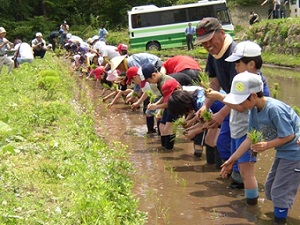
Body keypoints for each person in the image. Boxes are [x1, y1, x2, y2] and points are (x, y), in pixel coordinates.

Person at [220, 72, 300, 225]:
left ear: (254, 95)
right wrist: (232, 160)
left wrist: (266, 145)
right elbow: (250, 137)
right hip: (284, 151)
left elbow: (289, 136)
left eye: (243, 100)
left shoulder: (274, 109)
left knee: (279, 192)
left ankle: (280, 221)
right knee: (270, 188)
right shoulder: (253, 111)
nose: (241, 105)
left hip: (295, 152)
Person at [206, 41, 270, 205]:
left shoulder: (255, 83)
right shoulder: (242, 79)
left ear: (251, 63)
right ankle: (240, 192)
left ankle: (251, 206)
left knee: (246, 171)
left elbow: (242, 107)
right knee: (240, 166)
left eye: (238, 63)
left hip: (247, 132)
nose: (235, 67)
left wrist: (219, 97)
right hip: (238, 128)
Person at [193, 17, 241, 189]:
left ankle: (241, 181)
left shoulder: (236, 53)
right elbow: (214, 84)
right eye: (203, 43)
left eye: (209, 40)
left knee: (239, 143)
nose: (207, 45)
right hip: (232, 101)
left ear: (221, 33)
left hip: (248, 102)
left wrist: (221, 114)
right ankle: (232, 177)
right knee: (223, 142)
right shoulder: (213, 55)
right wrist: (205, 105)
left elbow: (242, 94)